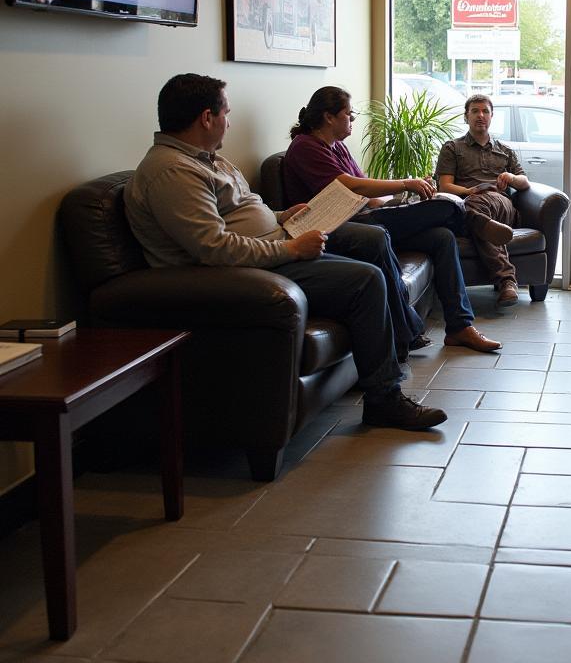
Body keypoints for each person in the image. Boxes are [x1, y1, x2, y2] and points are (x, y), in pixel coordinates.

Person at [125, 73, 446, 431]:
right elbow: (213, 248)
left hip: (273, 247)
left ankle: (383, 371)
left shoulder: (206, 160)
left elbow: (240, 213)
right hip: (245, 273)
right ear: (206, 117)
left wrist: (282, 216)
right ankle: (385, 399)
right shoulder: (172, 172)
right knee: (366, 280)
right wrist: (290, 248)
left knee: (372, 256)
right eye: (226, 113)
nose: (228, 122)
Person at [282, 86, 507, 354]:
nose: (352, 119)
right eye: (348, 114)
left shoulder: (338, 148)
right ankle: (471, 220)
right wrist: (405, 183)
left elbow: (369, 194)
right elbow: (352, 187)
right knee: (445, 210)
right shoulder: (305, 147)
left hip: (365, 216)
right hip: (337, 229)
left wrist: (404, 202)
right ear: (329, 117)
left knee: (442, 237)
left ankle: (460, 327)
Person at [436, 94, 530, 308]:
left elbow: (524, 183)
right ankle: (506, 282)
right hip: (465, 200)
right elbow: (445, 186)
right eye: (475, 111)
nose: (480, 115)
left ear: (491, 116)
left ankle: (506, 277)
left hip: (499, 201)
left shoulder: (505, 150)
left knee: (474, 207)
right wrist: (469, 191)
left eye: (485, 111)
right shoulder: (452, 148)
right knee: (472, 207)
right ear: (466, 116)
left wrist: (511, 178)